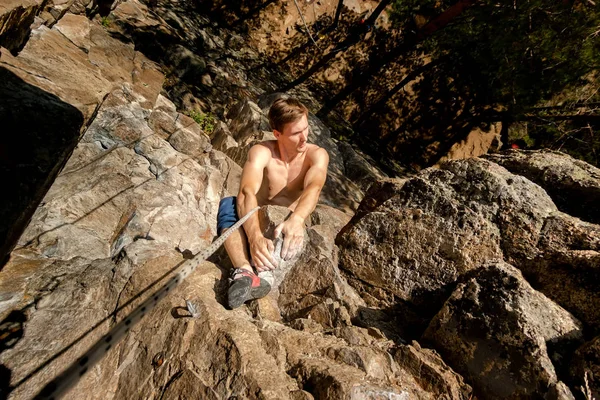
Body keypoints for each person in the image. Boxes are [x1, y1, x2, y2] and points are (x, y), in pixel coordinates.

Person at [216, 97, 329, 309]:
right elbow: (247, 192)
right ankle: (245, 272)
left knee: (286, 225)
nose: (304, 137)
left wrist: (297, 219)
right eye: (296, 133)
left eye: (306, 128)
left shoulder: (317, 155)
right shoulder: (262, 152)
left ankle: (265, 273)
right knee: (228, 203)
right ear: (277, 134)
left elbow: (314, 187)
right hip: (254, 222)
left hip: (284, 227)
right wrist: (254, 237)